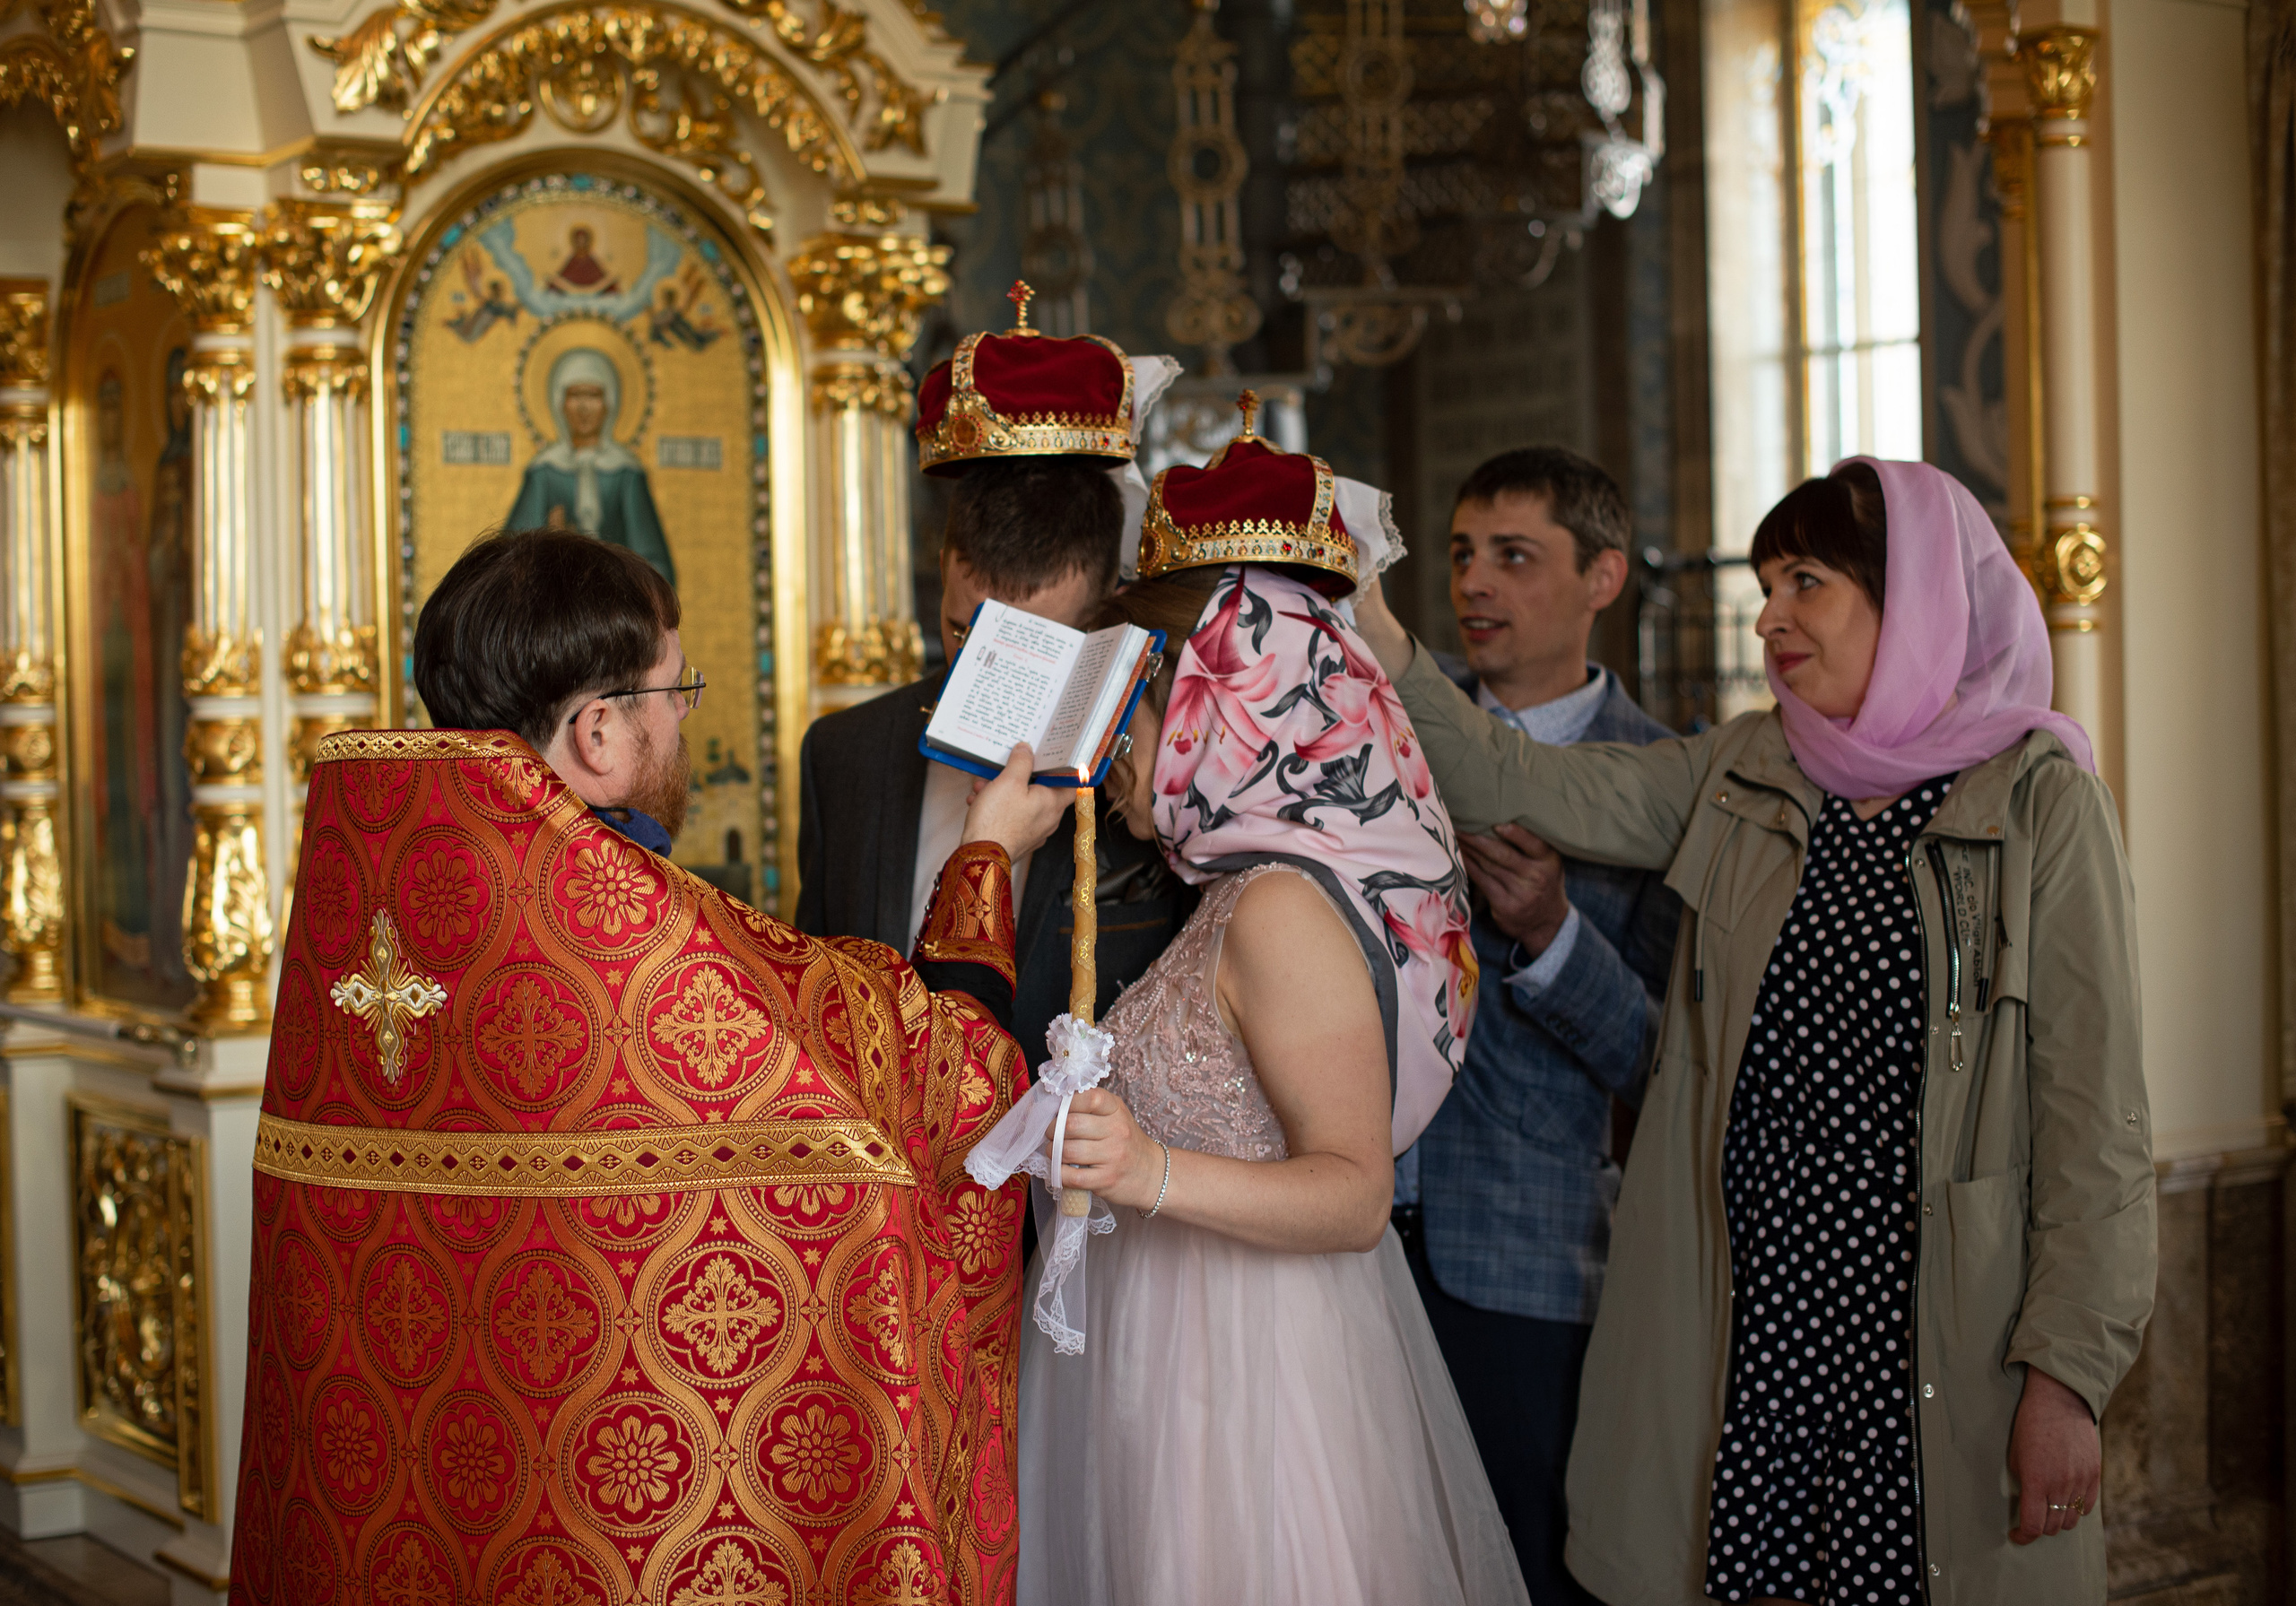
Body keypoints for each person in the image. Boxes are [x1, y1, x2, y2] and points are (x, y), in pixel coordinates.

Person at [1352, 457, 2153, 1605]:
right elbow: (1504, 776)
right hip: (1757, 1312)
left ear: (1912, 603)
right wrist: (1372, 620)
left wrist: (2066, 1379)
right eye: (1767, 584)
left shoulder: (2038, 802)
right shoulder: (1744, 765)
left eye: (1806, 584)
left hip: (1930, 1328)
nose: (1771, 617)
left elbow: (2095, 1124)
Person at [229, 527, 1065, 1606]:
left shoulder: (365, 923)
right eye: (675, 691)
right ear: (597, 731)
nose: (684, 717)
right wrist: (985, 860)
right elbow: (948, 1093)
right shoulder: (650, 950)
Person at [1014, 415, 1527, 1605]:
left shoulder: (1283, 906)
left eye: (1135, 708)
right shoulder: (1234, 887)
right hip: (1178, 1356)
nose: (1113, 751)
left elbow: (1352, 1193)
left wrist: (1145, 1169)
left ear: (1220, 712)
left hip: (1254, 1388)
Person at [1394, 447, 1678, 1604]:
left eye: (1516, 556)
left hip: (1526, 1259)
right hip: (1354, 1233)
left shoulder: (1662, 781)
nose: (1477, 584)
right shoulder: (1392, 733)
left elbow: (1664, 1057)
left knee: (1528, 1568)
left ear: (1603, 575)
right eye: (1463, 553)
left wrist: (1555, 930)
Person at [797, 288, 1191, 1072]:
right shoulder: (844, 753)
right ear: (942, 570)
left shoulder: (1152, 772)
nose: (984, 683)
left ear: (1098, 622)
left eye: (1031, 649)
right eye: (963, 635)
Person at [506, 346, 674, 586]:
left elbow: (656, 569)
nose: (584, 407)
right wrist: (549, 546)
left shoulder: (625, 474)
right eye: (574, 395)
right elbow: (508, 565)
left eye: (593, 396)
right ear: (560, 402)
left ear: (609, 403)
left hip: (615, 611)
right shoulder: (544, 473)